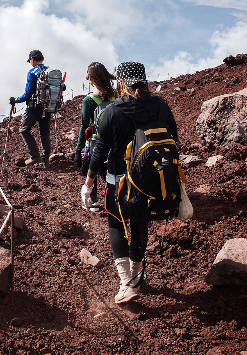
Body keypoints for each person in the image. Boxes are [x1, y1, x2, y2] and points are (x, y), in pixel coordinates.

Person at [83, 61, 178, 304]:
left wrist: (89, 182)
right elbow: (174, 140)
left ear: (121, 82)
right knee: (140, 222)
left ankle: (126, 282)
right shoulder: (161, 106)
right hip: (150, 180)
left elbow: (100, 150)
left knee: (116, 222)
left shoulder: (113, 111)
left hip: (119, 180)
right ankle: (137, 276)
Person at [73, 62, 116, 211]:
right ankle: (117, 197)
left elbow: (84, 125)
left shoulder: (89, 100)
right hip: (115, 140)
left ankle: (93, 201)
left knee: (92, 167)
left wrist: (78, 150)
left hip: (96, 141)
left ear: (91, 78)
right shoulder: (115, 96)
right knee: (110, 171)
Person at [10, 49, 52, 166]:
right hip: (47, 107)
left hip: (34, 107)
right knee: (44, 132)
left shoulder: (32, 73)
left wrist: (16, 100)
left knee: (24, 130)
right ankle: (46, 158)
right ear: (42, 59)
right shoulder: (50, 71)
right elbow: (62, 87)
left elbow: (28, 94)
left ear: (32, 59)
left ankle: (35, 156)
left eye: (30, 60)